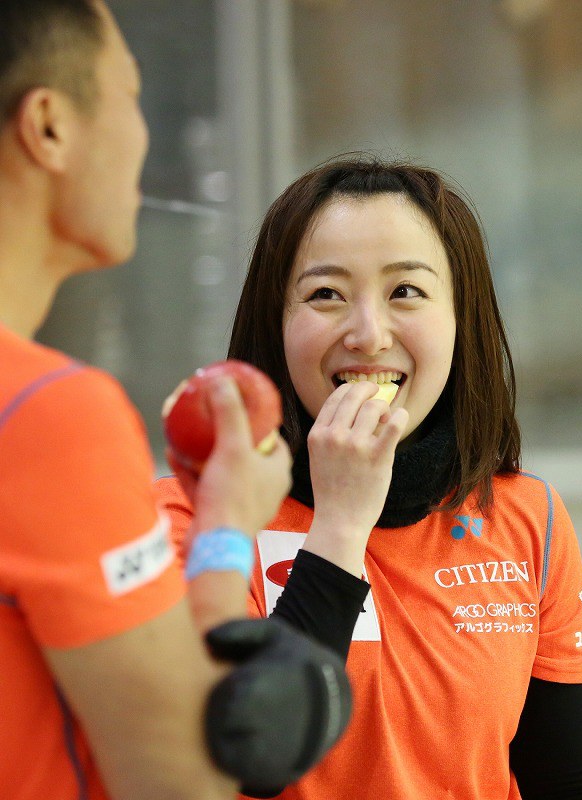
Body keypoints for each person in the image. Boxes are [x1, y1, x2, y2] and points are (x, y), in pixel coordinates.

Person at [156, 155, 582, 799]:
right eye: (325, 294)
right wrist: (339, 524)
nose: (367, 333)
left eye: (405, 292)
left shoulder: (531, 517)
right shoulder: (197, 522)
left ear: (458, 320)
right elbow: (249, 758)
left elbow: (567, 778)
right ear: (274, 325)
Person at [0, 3, 352, 799]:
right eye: (130, 96)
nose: (144, 136)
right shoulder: (52, 416)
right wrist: (226, 529)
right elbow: (184, 777)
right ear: (49, 126)